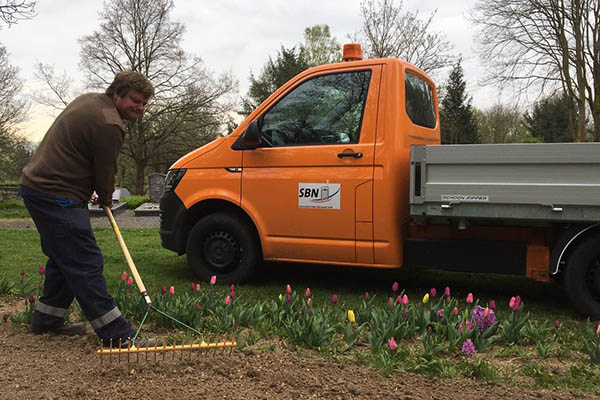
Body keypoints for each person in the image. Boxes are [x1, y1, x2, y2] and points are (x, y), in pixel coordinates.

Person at [20, 71, 154, 346]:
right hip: (57, 194)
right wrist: (106, 197)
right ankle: (118, 334)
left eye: (144, 103)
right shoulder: (110, 124)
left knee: (63, 257)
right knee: (84, 261)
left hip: (37, 187)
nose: (140, 108)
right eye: (136, 101)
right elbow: (105, 170)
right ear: (117, 93)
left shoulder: (89, 101)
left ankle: (48, 319)